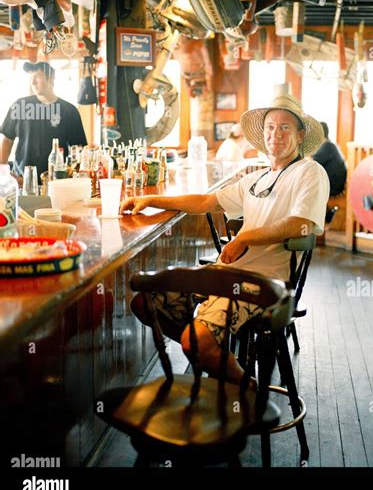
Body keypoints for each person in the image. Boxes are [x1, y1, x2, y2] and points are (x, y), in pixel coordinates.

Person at [121, 94, 329, 385]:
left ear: (300, 134)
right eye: (270, 127)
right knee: (145, 303)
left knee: (194, 343)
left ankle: (245, 387)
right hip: (225, 275)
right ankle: (207, 347)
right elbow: (206, 201)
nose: (275, 134)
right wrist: (150, 199)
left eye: (284, 128)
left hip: (263, 284)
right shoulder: (257, 179)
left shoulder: (310, 172)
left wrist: (245, 239)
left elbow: (302, 224)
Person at [0, 62, 87, 180]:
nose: (33, 82)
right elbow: (7, 140)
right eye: (31, 77)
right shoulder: (20, 106)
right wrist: (3, 173)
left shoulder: (69, 111)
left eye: (37, 76)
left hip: (58, 181)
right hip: (23, 180)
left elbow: (78, 148)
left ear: (50, 78)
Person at [311, 122, 347, 196]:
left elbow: (311, 163)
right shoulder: (330, 145)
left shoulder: (328, 147)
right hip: (335, 185)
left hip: (333, 188)